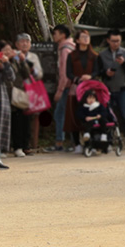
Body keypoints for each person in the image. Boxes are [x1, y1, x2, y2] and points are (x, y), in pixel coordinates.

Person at [94, 29, 125, 152]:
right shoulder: (102, 55)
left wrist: (124, 64)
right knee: (107, 117)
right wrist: (106, 73)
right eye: (113, 41)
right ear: (108, 40)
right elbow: (97, 72)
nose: (116, 43)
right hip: (106, 91)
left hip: (122, 89)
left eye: (118, 41)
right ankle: (108, 142)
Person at [66, 29, 98, 154]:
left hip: (90, 89)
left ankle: (92, 144)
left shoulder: (94, 55)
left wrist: (90, 77)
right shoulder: (71, 55)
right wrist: (78, 79)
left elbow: (97, 71)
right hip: (76, 88)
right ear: (77, 40)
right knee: (74, 115)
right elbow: (68, 73)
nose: (86, 39)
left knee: (91, 114)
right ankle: (77, 143)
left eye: (87, 36)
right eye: (83, 37)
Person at [3, 42, 32, 157]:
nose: (9, 52)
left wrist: (23, 61)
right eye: (5, 50)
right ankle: (8, 146)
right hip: (5, 95)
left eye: (10, 50)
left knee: (20, 121)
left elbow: (26, 74)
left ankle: (20, 146)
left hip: (18, 94)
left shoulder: (16, 60)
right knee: (8, 122)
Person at [14, 33, 43, 152]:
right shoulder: (13, 56)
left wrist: (32, 72)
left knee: (28, 118)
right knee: (17, 118)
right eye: (22, 41)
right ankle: (17, 145)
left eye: (27, 41)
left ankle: (27, 145)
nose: (25, 43)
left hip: (30, 91)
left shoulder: (33, 57)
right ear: (16, 44)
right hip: (17, 91)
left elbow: (39, 74)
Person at [51, 24, 75, 152]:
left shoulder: (65, 49)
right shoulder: (70, 47)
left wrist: (59, 91)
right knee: (69, 114)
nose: (53, 36)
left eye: (55, 33)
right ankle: (73, 143)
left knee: (60, 114)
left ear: (62, 35)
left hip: (67, 87)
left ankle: (60, 142)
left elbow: (64, 73)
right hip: (73, 87)